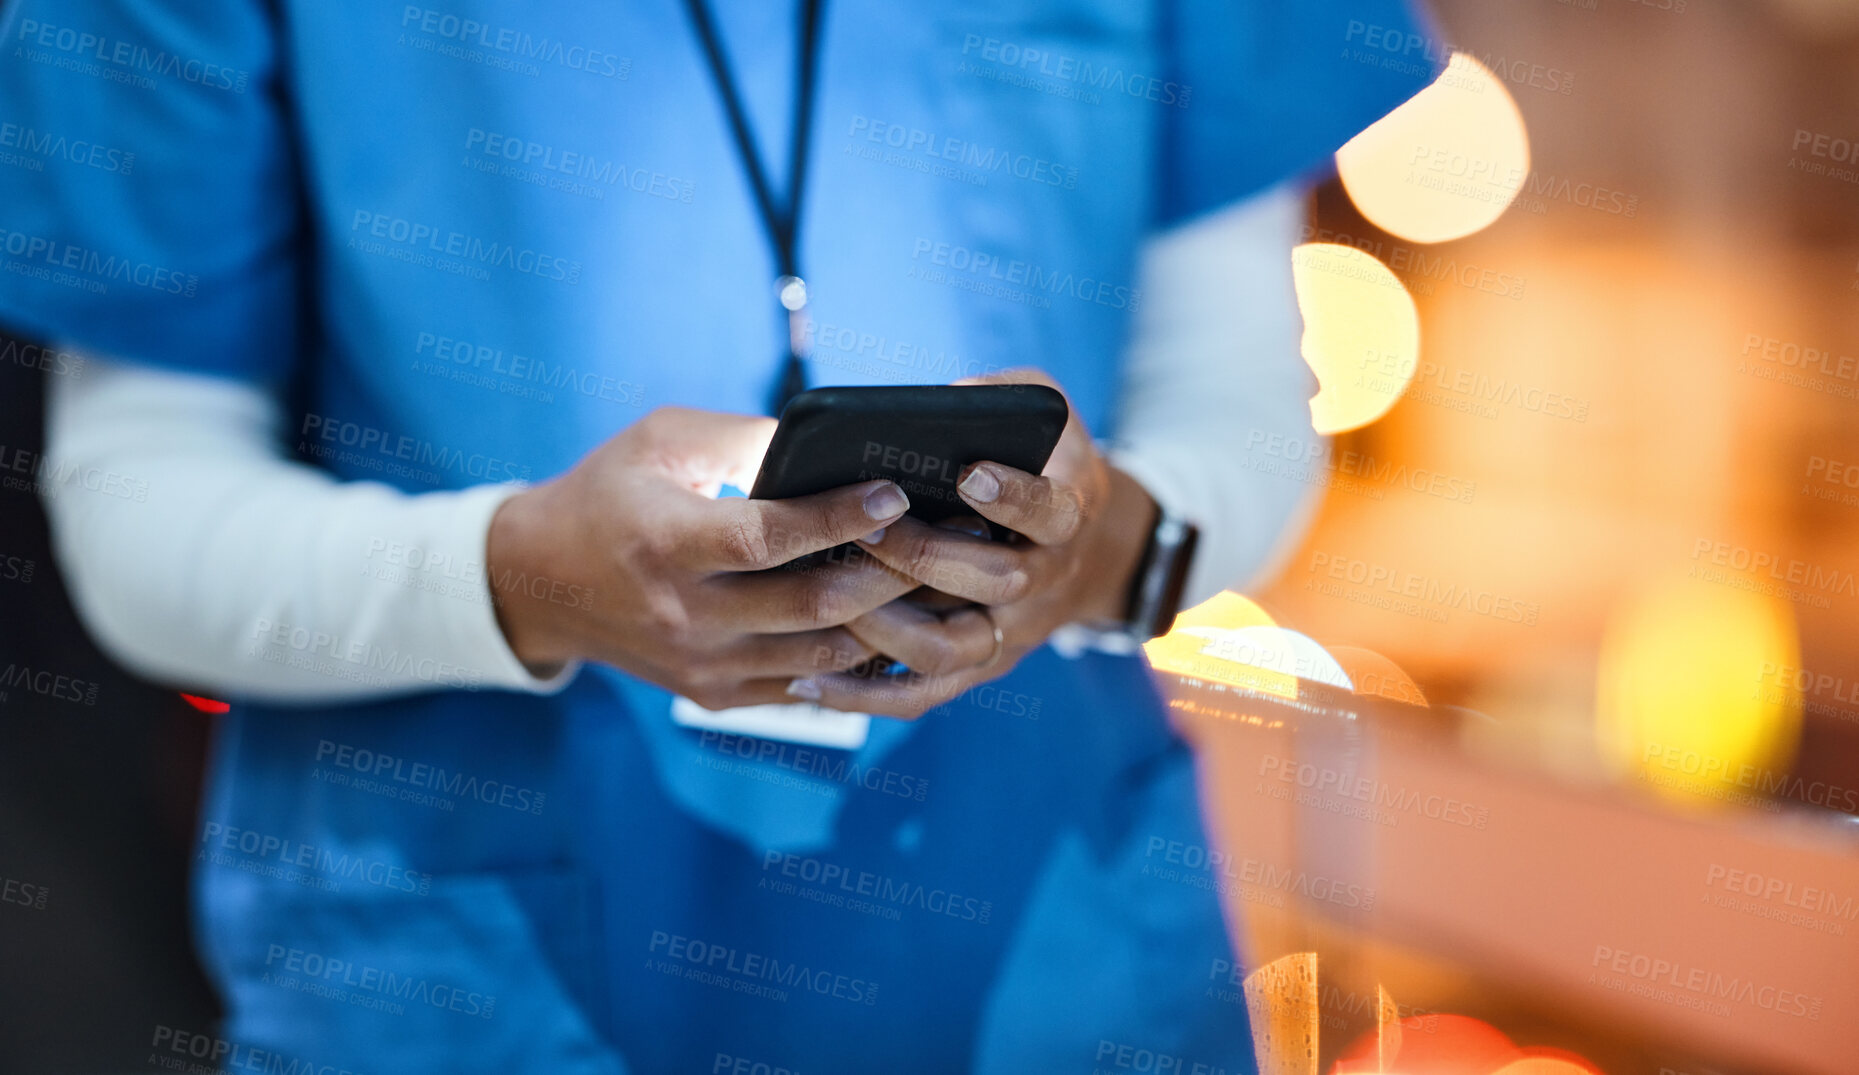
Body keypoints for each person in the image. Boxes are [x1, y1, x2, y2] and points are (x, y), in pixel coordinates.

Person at [0, 1, 1433, 1069]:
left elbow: (1246, 418)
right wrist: (520, 580)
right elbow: (141, 515)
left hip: (1053, 962)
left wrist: (1098, 547)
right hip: (468, 987)